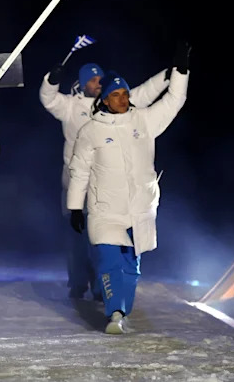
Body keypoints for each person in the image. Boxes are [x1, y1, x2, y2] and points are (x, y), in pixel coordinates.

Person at [67, 43, 191, 334]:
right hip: (105, 209)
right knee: (109, 261)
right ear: (106, 100)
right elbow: (80, 170)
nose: (122, 100)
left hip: (139, 209)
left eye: (125, 94)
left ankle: (123, 308)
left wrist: (181, 72)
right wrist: (75, 206)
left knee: (131, 268)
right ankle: (115, 313)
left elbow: (174, 100)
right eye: (115, 95)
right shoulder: (91, 131)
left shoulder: (144, 120)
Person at [41, 51, 185, 300]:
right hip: (76, 182)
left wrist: (168, 75)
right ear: (83, 82)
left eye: (100, 79)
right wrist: (52, 79)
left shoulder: (114, 102)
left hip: (104, 185)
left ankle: (101, 287)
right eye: (94, 80)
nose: (98, 83)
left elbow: (143, 92)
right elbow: (48, 99)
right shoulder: (71, 106)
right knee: (77, 239)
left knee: (101, 241)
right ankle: (78, 283)